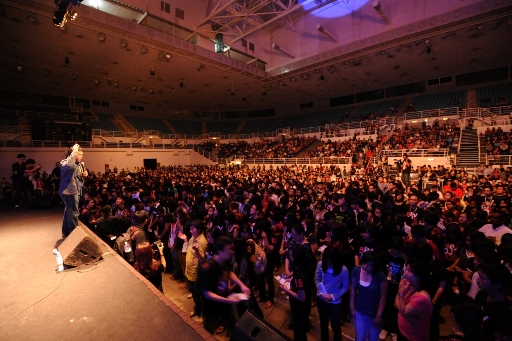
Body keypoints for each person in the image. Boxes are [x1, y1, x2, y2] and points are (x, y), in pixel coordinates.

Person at [198, 235, 250, 335]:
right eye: (229, 250)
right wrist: (227, 300)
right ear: (219, 251)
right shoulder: (208, 267)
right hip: (211, 308)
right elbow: (207, 293)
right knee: (208, 333)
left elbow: (229, 272)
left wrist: (242, 285)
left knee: (236, 329)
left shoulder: (225, 261)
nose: (232, 252)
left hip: (226, 304)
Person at [350, 251, 387, 341]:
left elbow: (383, 297)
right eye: (364, 263)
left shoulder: (380, 276)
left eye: (369, 264)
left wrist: (379, 315)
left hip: (374, 313)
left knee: (373, 338)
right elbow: (353, 289)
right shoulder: (356, 270)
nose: (365, 266)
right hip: (360, 311)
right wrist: (351, 306)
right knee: (360, 338)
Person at [315, 246, 350, 341]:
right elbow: (317, 279)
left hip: (335, 302)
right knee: (323, 323)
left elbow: (345, 287)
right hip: (321, 299)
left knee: (335, 325)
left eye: (330, 260)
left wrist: (333, 296)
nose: (328, 262)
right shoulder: (320, 264)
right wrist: (321, 293)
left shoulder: (343, 269)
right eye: (326, 259)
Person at [280, 244, 312, 341]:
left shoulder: (299, 276)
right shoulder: (303, 266)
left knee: (299, 334)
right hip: (303, 308)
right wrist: (291, 280)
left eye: (291, 254)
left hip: (299, 308)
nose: (290, 256)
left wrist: (286, 290)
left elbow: (302, 297)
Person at [395, 261, 433, 341]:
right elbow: (396, 300)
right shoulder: (408, 284)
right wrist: (405, 313)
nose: (405, 272)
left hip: (413, 337)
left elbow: (403, 311)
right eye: (406, 269)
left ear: (418, 277)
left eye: (409, 271)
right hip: (402, 330)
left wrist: (401, 294)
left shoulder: (421, 298)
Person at [59, 144, 87, 238]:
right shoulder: (65, 163)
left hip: (75, 190)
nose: (81, 156)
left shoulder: (79, 165)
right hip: (69, 191)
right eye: (79, 154)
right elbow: (70, 164)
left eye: (82, 154)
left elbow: (77, 177)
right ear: (73, 154)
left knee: (69, 211)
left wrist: (83, 175)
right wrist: (74, 150)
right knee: (73, 212)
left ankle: (66, 233)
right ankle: (74, 235)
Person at [185, 220, 207, 324]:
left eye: (193, 229)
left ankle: (202, 314)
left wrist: (197, 250)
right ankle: (196, 309)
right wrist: (185, 240)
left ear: (198, 229)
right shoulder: (192, 238)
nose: (191, 230)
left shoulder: (202, 241)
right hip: (190, 269)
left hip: (197, 271)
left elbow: (202, 259)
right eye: (190, 228)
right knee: (193, 292)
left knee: (200, 294)